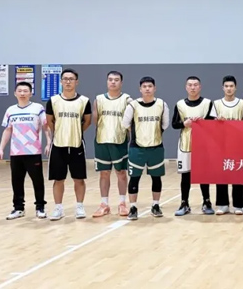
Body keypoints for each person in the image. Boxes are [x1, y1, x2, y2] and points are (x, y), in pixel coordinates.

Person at [0, 82, 50, 220]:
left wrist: (49, 142)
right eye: (19, 91)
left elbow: (46, 127)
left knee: (37, 181)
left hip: (33, 152)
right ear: (15, 93)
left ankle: (40, 207)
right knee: (17, 181)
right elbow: (7, 130)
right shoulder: (10, 110)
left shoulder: (38, 108)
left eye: (25, 91)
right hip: (16, 153)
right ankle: (18, 208)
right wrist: (1, 148)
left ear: (30, 93)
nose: (22, 93)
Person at [45, 69, 92, 221]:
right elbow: (50, 121)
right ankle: (58, 208)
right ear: (61, 81)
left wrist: (75, 131)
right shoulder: (53, 101)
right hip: (58, 145)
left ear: (76, 82)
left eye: (71, 79)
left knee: (79, 178)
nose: (68, 81)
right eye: (65, 79)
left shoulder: (84, 101)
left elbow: (87, 121)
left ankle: (79, 206)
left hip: (77, 144)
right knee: (58, 179)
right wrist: (61, 132)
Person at [121, 76, 170, 220]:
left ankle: (156, 205)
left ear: (154, 88)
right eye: (144, 86)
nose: (147, 89)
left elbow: (165, 124)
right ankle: (133, 207)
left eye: (150, 86)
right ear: (140, 89)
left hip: (156, 147)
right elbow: (125, 124)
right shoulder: (133, 105)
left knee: (156, 177)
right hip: (137, 148)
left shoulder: (161, 104)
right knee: (134, 178)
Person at [172, 76, 215, 217]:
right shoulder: (179, 104)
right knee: (185, 175)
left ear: (200, 87)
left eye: (195, 85)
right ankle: (184, 203)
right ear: (186, 87)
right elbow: (174, 124)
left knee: (203, 175)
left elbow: (213, 122)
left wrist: (203, 122)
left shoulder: (208, 103)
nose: (192, 87)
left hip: (203, 145)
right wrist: (184, 124)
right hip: (185, 145)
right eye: (190, 85)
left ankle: (206, 202)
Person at [91, 71, 132, 218]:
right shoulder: (98, 99)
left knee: (121, 173)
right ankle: (104, 204)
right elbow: (95, 121)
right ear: (107, 81)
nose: (113, 82)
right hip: (102, 140)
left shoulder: (127, 100)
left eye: (116, 80)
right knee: (104, 173)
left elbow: (130, 122)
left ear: (121, 82)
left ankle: (122, 203)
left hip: (119, 140)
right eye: (110, 79)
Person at [211, 75, 243, 215]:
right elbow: (211, 124)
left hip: (238, 144)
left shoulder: (242, 103)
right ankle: (223, 204)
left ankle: (238, 205)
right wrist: (217, 121)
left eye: (231, 86)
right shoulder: (216, 104)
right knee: (221, 173)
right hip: (221, 144)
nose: (229, 89)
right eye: (226, 86)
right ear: (222, 88)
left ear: (235, 88)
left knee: (237, 173)